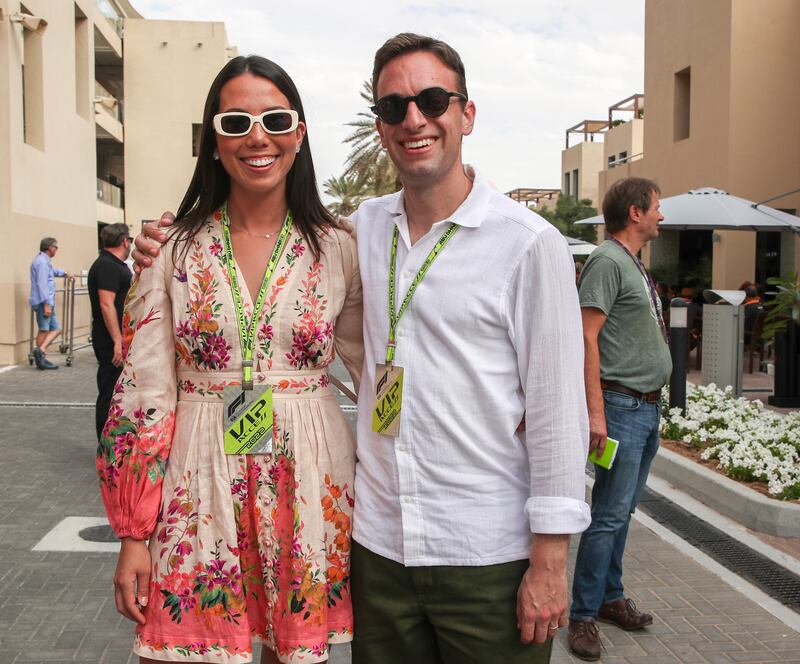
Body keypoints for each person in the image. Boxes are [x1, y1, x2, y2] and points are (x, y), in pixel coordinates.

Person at [135, 34, 590, 664]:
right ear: (378, 125)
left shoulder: (524, 243)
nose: (414, 119)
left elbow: (557, 412)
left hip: (482, 547)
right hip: (377, 543)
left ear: (467, 113)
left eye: (433, 100)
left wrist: (551, 555)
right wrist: (161, 246)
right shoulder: (360, 232)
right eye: (394, 107)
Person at [97, 55, 363, 664]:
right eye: (236, 123)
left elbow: (381, 367)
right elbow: (142, 393)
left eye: (274, 118)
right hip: (199, 478)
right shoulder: (173, 249)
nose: (257, 137)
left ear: (299, 132)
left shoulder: (341, 247)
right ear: (213, 141)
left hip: (311, 481)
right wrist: (134, 534)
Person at [568, 177, 672, 661]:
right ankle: (583, 616)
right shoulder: (607, 262)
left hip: (645, 407)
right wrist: (595, 412)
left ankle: (609, 597)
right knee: (607, 516)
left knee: (621, 512)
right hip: (622, 406)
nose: (661, 216)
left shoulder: (630, 263)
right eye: (656, 207)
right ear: (635, 212)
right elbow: (586, 338)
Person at [88, 223, 133, 440]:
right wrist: (117, 341)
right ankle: (105, 445)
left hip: (116, 339)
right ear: (124, 241)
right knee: (109, 392)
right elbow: (107, 304)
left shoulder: (114, 264)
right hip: (110, 341)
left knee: (117, 391)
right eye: (130, 240)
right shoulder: (107, 265)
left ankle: (114, 441)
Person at [29, 237, 72, 370]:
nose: (56, 250)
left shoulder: (44, 261)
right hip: (44, 302)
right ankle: (40, 357)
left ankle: (40, 351)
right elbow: (42, 284)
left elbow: (50, 272)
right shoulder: (41, 262)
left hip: (46, 301)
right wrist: (46, 303)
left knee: (56, 329)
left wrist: (64, 273)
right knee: (44, 329)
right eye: (56, 247)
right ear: (50, 247)